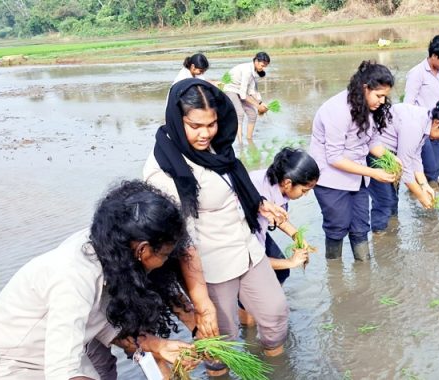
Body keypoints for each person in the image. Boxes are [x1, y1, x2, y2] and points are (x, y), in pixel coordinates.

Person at [0, 180, 200, 379]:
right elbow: (62, 370)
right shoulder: (75, 277)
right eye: (166, 255)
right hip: (11, 363)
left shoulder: (113, 248)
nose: (166, 261)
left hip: (57, 349)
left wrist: (158, 346)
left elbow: (103, 318)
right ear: (143, 250)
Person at [143, 78, 289, 376]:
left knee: (275, 314)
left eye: (211, 124)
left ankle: (281, 369)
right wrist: (200, 302)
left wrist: (260, 203)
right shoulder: (164, 173)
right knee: (221, 341)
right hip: (210, 264)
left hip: (247, 248)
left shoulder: (218, 146)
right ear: (175, 119)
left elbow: (233, 182)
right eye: (195, 125)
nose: (205, 133)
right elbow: (182, 242)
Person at [309, 60, 397, 261]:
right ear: (365, 88)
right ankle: (335, 271)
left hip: (357, 178)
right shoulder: (337, 110)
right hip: (330, 179)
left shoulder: (370, 108)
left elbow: (373, 140)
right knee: (337, 227)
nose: (382, 101)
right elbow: (334, 157)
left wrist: (391, 158)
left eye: (385, 96)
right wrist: (374, 173)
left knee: (360, 226)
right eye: (379, 96)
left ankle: (364, 273)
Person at [240, 148, 320, 325]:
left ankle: (266, 303)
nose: (306, 195)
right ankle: (249, 328)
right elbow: (249, 258)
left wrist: (296, 236)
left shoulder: (276, 184)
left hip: (256, 232)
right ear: (287, 183)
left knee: (281, 271)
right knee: (248, 291)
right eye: (305, 190)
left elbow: (278, 218)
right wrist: (291, 262)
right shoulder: (254, 189)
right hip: (238, 242)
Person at [368, 101, 439, 232]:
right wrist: (420, 195)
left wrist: (424, 185)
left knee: (392, 198)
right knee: (385, 199)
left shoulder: (426, 122)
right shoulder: (414, 126)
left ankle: (391, 232)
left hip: (392, 154)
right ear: (437, 123)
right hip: (377, 151)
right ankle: (380, 236)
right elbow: (405, 167)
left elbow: (415, 156)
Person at [403, 35, 439, 183]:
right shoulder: (417, 73)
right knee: (427, 167)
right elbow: (407, 104)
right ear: (434, 55)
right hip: (423, 129)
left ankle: (426, 193)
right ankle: (421, 193)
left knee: (436, 166)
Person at [222, 52, 271, 143]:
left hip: (240, 90)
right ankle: (240, 142)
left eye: (265, 66)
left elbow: (251, 91)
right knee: (240, 113)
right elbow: (243, 95)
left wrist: (260, 103)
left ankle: (249, 139)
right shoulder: (247, 70)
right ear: (256, 61)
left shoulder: (254, 72)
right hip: (231, 89)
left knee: (252, 114)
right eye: (262, 65)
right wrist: (257, 106)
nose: (263, 68)